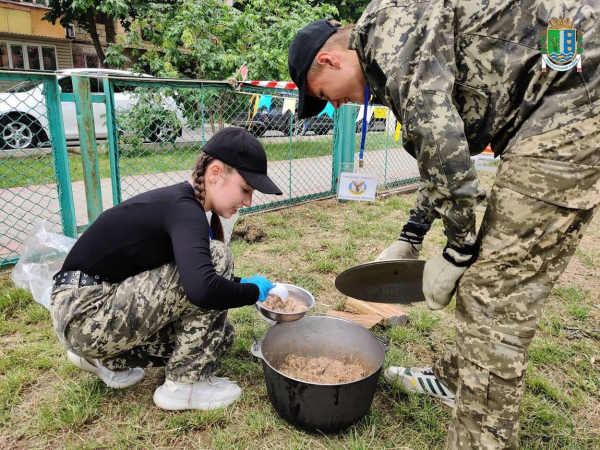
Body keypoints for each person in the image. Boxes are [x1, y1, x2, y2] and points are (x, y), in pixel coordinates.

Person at [288, 2, 600, 448]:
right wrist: (411, 235)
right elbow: (446, 149)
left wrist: (459, 247)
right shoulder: (392, 41)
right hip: (563, 88)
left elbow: (438, 136)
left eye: (322, 94)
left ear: (329, 59)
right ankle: (456, 379)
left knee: (494, 298)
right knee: (486, 279)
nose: (334, 105)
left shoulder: (387, 37)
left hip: (573, 96)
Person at [50, 127, 282, 411]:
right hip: (86, 312)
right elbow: (201, 287)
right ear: (215, 173)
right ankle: (183, 386)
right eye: (246, 189)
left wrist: (237, 282)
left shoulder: (180, 204)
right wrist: (250, 291)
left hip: (86, 314)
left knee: (220, 337)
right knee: (218, 255)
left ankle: (101, 359)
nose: (248, 201)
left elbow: (182, 278)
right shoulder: (185, 209)